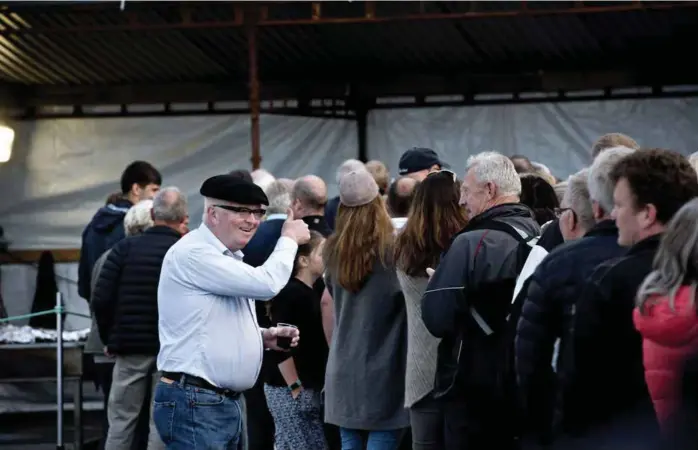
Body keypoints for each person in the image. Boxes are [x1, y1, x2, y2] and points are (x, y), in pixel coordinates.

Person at [152, 174, 310, 449]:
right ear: (213, 214)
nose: (252, 220)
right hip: (197, 401)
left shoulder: (222, 256)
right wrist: (289, 239)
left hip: (213, 401)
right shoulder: (195, 254)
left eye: (258, 212)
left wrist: (262, 336)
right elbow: (267, 284)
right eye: (241, 211)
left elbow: (210, 324)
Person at [264, 231, 329, 450]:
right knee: (297, 443)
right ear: (303, 260)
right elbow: (280, 346)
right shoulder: (290, 294)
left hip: (309, 382)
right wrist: (295, 387)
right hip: (287, 385)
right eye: (321, 253)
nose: (327, 257)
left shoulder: (318, 289)